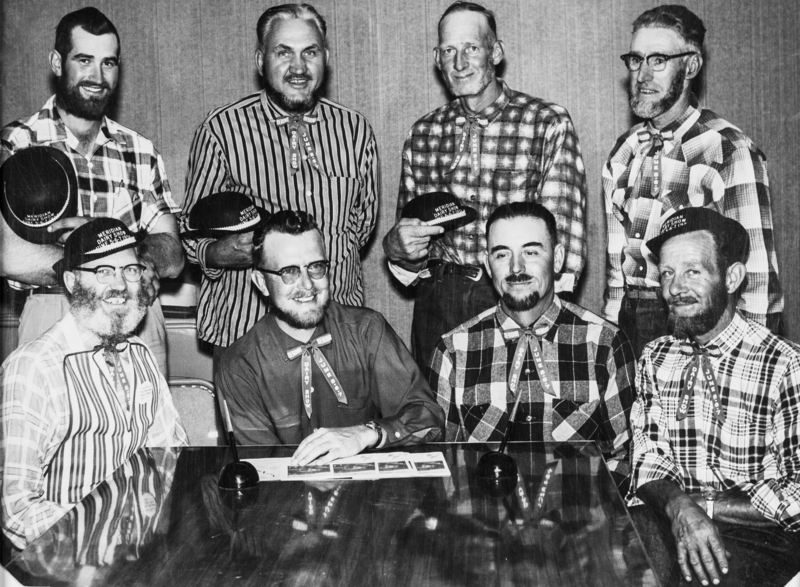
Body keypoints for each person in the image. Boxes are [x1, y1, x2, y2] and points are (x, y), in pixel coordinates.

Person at [383, 1, 587, 371]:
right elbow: (410, 248)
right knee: (439, 422)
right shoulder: (422, 133)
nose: (459, 62)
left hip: (514, 299)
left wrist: (545, 322)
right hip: (437, 303)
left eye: (471, 48)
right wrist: (399, 248)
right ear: (437, 58)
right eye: (449, 50)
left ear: (495, 52)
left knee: (518, 421)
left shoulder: (546, 123)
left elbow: (564, 245)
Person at [182, 3, 378, 354]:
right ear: (261, 61)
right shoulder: (222, 130)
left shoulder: (355, 130)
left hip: (337, 330)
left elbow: (360, 229)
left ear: (326, 58)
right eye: (283, 53)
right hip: (248, 329)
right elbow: (190, 232)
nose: (298, 68)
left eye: (310, 53)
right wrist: (219, 253)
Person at [0, 7, 184, 375]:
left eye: (109, 63)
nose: (97, 77)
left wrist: (138, 262)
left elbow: (173, 252)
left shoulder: (140, 149)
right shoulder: (17, 143)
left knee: (151, 431)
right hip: (54, 309)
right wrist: (112, 254)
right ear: (57, 62)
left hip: (138, 314)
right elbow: (9, 255)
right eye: (84, 60)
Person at [628, 208, 800, 586]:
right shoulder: (656, 358)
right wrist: (679, 507)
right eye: (668, 273)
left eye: (693, 271)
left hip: (760, 536)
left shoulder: (785, 365)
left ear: (732, 277)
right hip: (671, 516)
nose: (674, 287)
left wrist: (704, 507)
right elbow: (647, 460)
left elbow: (798, 493)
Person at [602, 4, 783, 357]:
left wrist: (750, 366)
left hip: (699, 319)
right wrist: (611, 342)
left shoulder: (728, 150)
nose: (642, 75)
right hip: (632, 324)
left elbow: (758, 279)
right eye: (636, 60)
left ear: (691, 66)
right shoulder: (623, 152)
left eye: (658, 60)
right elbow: (615, 273)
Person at [0, 218, 187, 551]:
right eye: (103, 272)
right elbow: (16, 512)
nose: (120, 285)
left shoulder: (140, 354)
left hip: (141, 547)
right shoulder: (34, 368)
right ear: (72, 282)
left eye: (130, 270)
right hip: (64, 558)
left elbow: (169, 452)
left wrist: (157, 511)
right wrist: (101, 529)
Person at [429, 202, 636, 486]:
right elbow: (444, 467)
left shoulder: (605, 343)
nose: (516, 267)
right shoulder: (454, 351)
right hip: (487, 524)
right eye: (502, 254)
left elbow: (626, 461)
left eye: (531, 252)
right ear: (489, 266)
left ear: (558, 257)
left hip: (578, 523)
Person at [215, 210, 443, 465]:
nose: (308, 285)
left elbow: (429, 421)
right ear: (261, 281)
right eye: (289, 272)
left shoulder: (366, 330)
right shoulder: (240, 365)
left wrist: (368, 433)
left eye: (316, 267)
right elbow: (262, 469)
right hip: (287, 501)